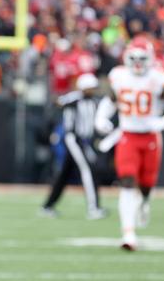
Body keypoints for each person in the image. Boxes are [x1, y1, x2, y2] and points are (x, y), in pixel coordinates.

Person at [95, 37, 164, 251]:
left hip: (151, 137)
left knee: (146, 184)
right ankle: (128, 234)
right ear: (126, 58)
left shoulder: (158, 78)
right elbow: (110, 99)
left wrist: (163, 121)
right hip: (127, 134)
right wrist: (101, 117)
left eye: (142, 58)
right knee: (127, 180)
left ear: (150, 59)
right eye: (133, 58)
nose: (137, 63)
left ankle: (144, 202)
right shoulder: (119, 76)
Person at [40, 73, 107, 220]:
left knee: (64, 175)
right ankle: (93, 208)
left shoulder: (93, 101)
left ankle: (47, 206)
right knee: (88, 169)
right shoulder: (75, 98)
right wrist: (67, 101)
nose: (94, 90)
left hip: (84, 140)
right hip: (73, 139)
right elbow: (58, 102)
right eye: (91, 88)